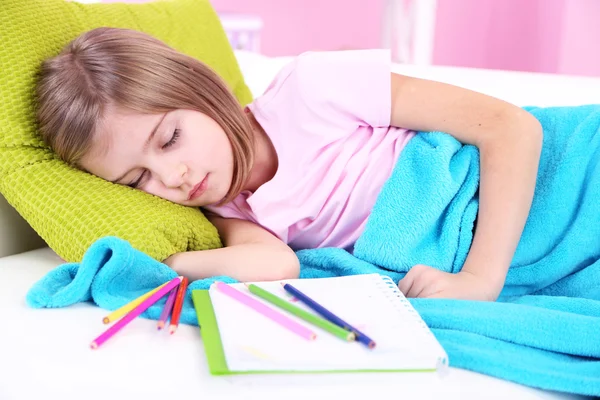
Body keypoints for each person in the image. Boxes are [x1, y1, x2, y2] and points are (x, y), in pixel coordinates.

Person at [35, 27, 543, 302]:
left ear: (203, 90)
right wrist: (161, 266)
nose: (173, 178)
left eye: (170, 139)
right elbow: (276, 264)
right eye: (137, 179)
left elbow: (512, 128)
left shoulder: (312, 87)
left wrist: (480, 279)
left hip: (527, 178)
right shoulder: (226, 210)